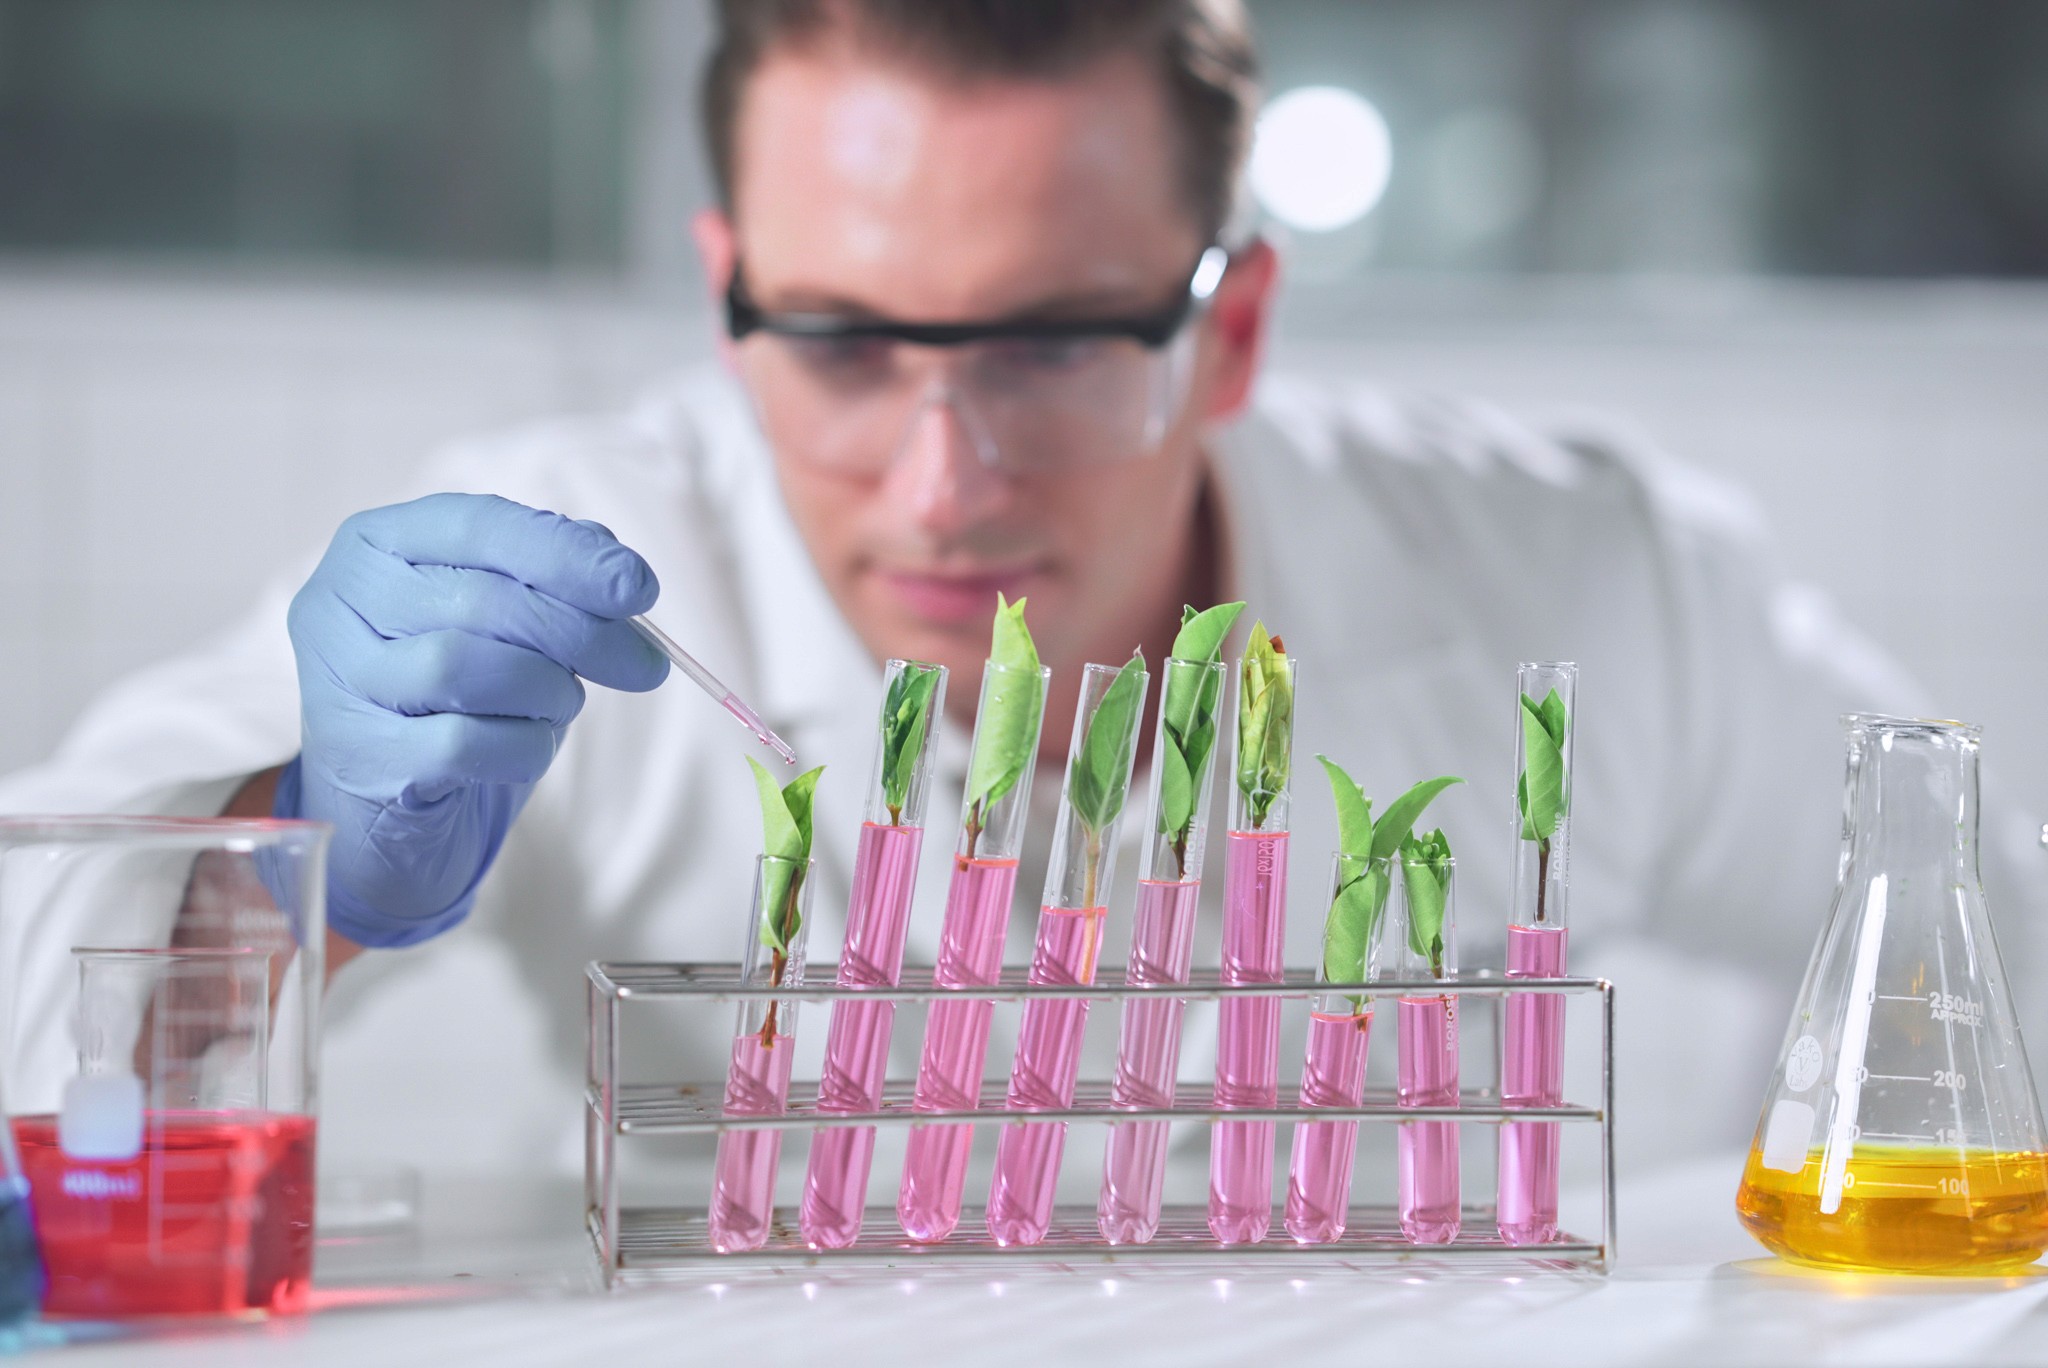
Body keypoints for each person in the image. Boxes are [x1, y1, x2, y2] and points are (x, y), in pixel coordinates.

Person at [1, 0, 2039, 1187]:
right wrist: (294, 879)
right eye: (836, 338)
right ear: (725, 298)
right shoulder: (562, 549)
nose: (941, 481)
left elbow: (1998, 952)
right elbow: (37, 1029)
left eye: (1054, 345)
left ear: (1229, 330)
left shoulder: (1575, 572)